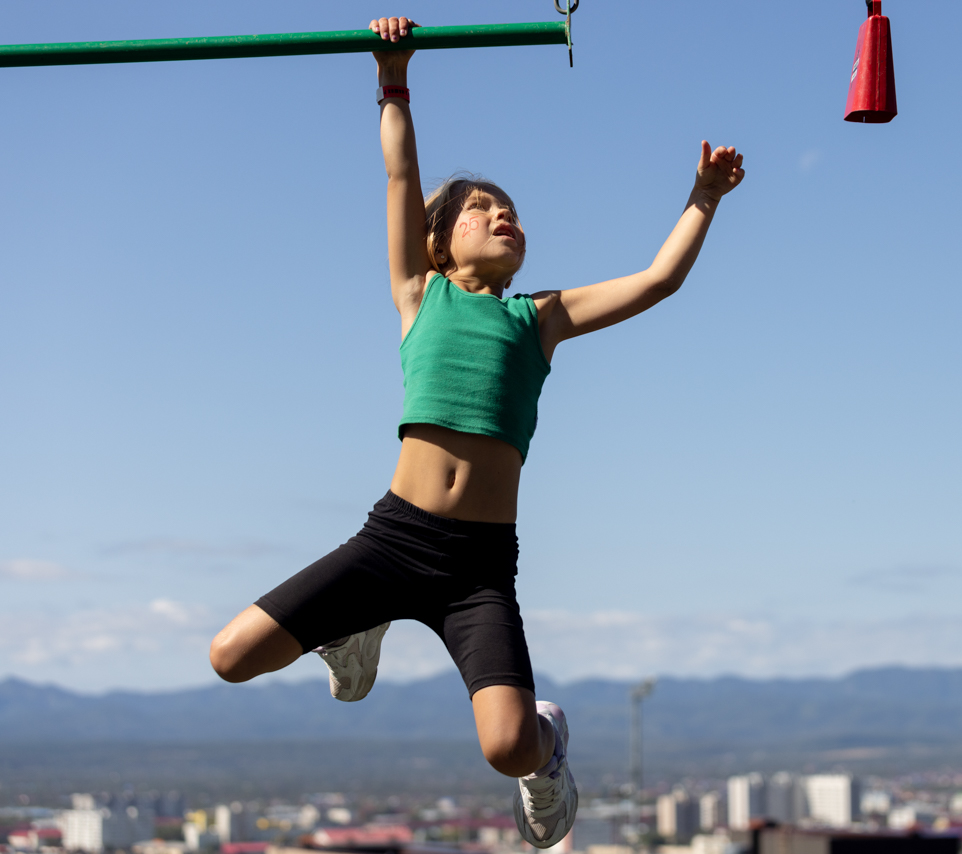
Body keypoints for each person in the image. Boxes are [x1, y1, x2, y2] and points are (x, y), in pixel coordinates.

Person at [207, 14, 745, 849]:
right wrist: (394, 81)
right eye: (483, 209)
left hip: (476, 570)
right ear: (439, 240)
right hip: (392, 541)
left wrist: (702, 198)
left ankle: (551, 751)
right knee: (230, 656)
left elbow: (657, 282)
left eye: (513, 211)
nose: (504, 216)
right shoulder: (421, 294)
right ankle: (353, 631)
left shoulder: (541, 318)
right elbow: (399, 176)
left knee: (506, 746)